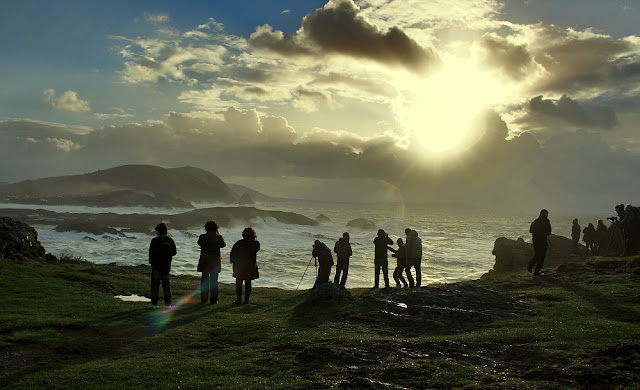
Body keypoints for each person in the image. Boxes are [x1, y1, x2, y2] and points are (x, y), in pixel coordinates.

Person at [148, 223, 177, 309]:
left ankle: (154, 304)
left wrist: (152, 263)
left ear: (158, 231)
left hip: (156, 266)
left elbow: (151, 253)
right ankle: (168, 303)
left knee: (155, 285)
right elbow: (174, 252)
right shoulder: (170, 241)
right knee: (166, 285)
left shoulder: (155, 241)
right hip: (166, 266)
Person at [197, 220, 226, 304]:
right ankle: (213, 300)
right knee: (214, 281)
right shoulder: (218, 237)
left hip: (204, 261)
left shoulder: (202, 237)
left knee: (204, 280)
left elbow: (199, 243)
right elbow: (223, 245)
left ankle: (203, 299)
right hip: (215, 262)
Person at [230, 227, 260, 304]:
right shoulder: (256, 244)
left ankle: (238, 299)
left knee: (239, 283)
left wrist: (233, 262)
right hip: (250, 266)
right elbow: (253, 252)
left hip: (239, 266)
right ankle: (247, 299)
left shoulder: (239, 243)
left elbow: (233, 253)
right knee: (248, 282)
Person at [527, 209, 552, 276]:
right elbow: (549, 232)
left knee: (537, 254)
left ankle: (530, 266)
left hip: (535, 240)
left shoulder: (535, 221)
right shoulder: (546, 221)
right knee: (541, 256)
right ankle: (536, 271)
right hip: (543, 241)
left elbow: (530, 230)